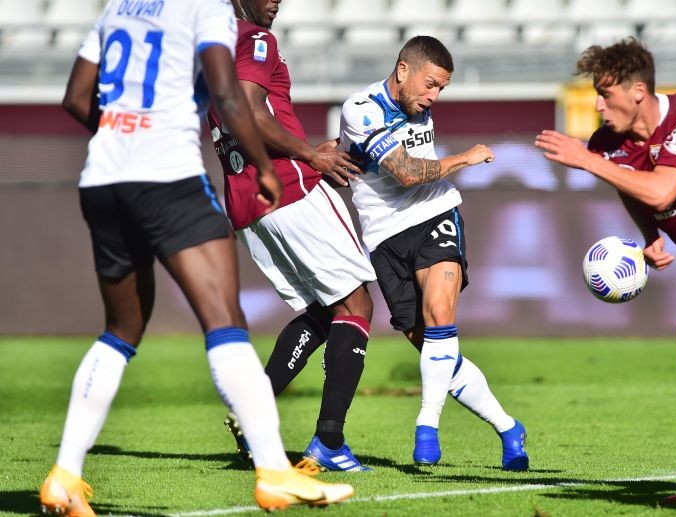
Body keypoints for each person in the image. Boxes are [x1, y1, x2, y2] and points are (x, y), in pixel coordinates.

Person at [38, 0, 353, 514]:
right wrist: (262, 164)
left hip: (102, 179)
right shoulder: (205, 9)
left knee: (121, 329)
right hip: (169, 178)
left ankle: (65, 475)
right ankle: (274, 471)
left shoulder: (116, 9)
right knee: (225, 321)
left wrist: (122, 137)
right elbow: (229, 96)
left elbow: (76, 99)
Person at [534, 38, 676, 503]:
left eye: (605, 94)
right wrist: (649, 234)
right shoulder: (607, 144)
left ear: (638, 91)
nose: (597, 105)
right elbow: (636, 193)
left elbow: (661, 192)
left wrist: (584, 159)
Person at [338, 35, 529, 471]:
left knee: (441, 316)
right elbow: (405, 172)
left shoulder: (416, 103)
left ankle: (427, 423)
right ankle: (507, 427)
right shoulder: (362, 108)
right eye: (430, 85)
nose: (433, 97)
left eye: (441, 88)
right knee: (432, 350)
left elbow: (414, 178)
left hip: (435, 215)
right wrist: (466, 157)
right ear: (403, 70)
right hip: (384, 237)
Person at [208, 0, 377, 472]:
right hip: (287, 186)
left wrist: (305, 152)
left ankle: (252, 411)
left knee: (326, 310)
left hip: (247, 201)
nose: (276, 0)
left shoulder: (209, 46)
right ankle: (330, 442)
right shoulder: (255, 39)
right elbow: (250, 108)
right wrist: (311, 157)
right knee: (357, 305)